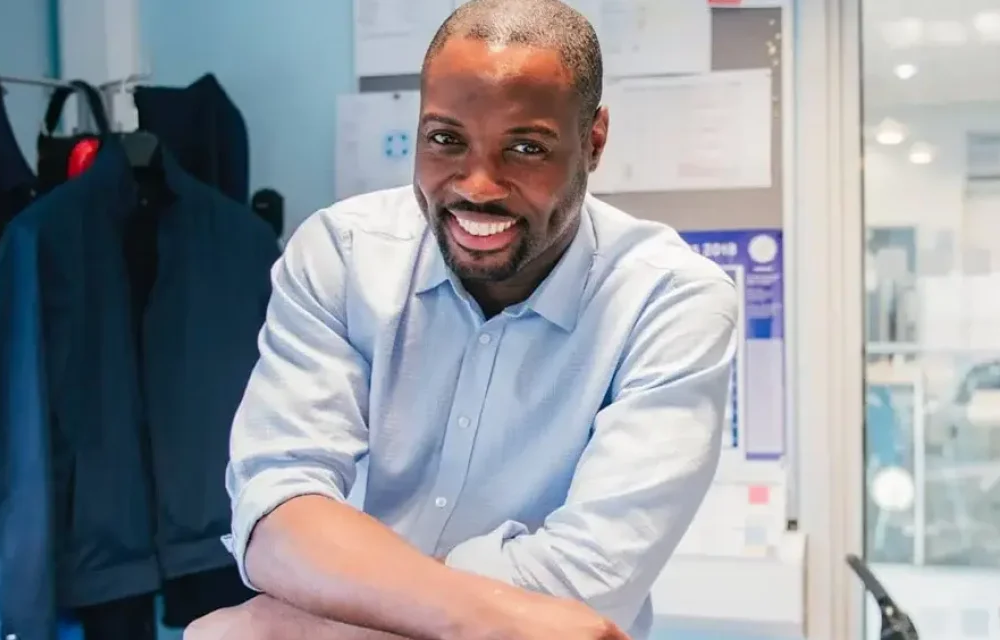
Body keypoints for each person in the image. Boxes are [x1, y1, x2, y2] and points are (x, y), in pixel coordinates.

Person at [183, 1, 740, 638]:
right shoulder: (342, 253)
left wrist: (307, 623)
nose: (477, 185)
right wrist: (473, 616)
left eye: (526, 147)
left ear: (593, 142)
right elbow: (278, 510)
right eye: (445, 139)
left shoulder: (669, 300)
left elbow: (588, 583)